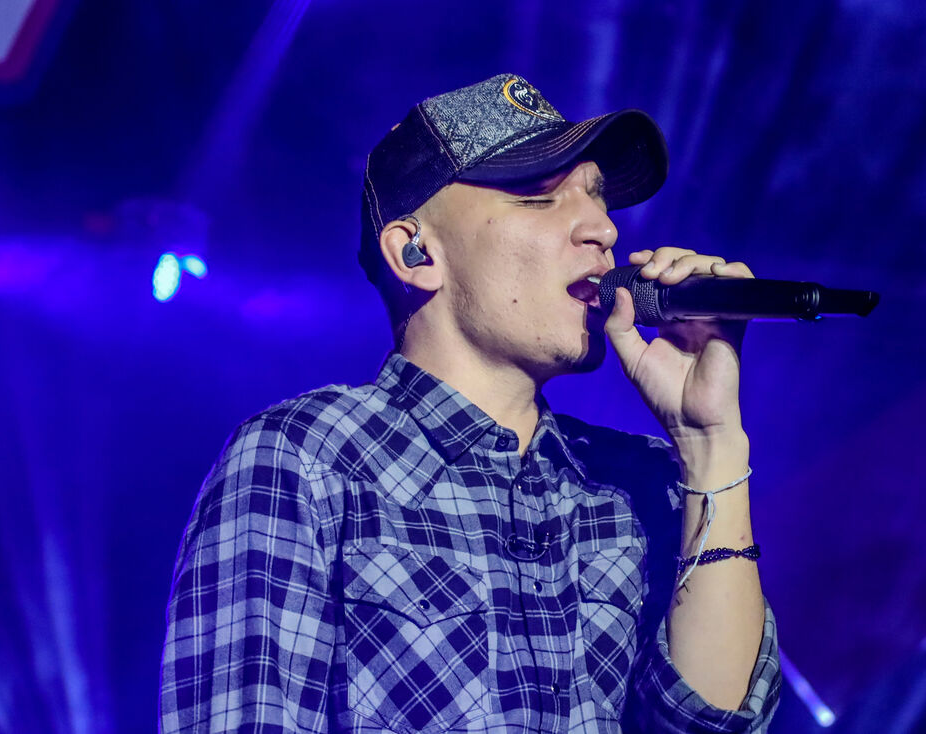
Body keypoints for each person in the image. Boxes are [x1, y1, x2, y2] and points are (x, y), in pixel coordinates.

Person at [160, 73, 781, 733]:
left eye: (598, 200)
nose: (602, 228)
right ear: (416, 251)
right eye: (539, 198)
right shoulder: (309, 459)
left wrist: (710, 444)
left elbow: (715, 726)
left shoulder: (642, 480)